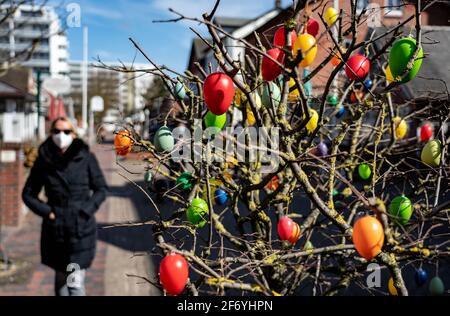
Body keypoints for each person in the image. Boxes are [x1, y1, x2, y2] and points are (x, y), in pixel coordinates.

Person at [22, 117, 108, 296]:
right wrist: (48, 212)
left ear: (74, 134)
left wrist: (85, 211)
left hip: (80, 229)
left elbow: (101, 189)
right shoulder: (44, 159)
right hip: (55, 230)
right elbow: (28, 194)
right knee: (61, 280)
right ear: (51, 133)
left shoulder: (86, 157)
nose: (61, 135)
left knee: (75, 284)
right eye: (57, 131)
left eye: (66, 131)